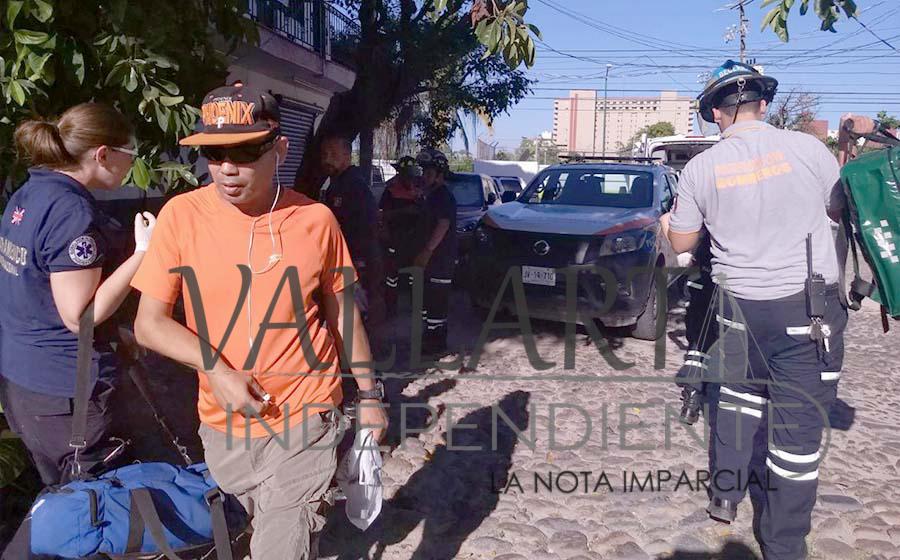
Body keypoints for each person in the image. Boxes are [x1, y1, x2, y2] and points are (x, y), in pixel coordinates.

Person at [131, 82, 388, 560]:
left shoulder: (315, 220)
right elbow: (150, 324)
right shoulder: (181, 216)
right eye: (214, 153)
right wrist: (216, 369)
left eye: (246, 151)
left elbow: (343, 314)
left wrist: (370, 396)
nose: (227, 167)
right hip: (222, 425)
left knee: (281, 544)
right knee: (263, 529)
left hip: (306, 415)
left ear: (279, 149)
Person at [662, 60, 848, 560]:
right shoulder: (809, 149)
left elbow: (682, 242)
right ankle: (783, 544)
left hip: (737, 311)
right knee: (795, 435)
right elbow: (837, 210)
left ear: (714, 114)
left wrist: (667, 225)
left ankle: (725, 495)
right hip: (805, 312)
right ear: (763, 105)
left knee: (736, 401)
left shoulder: (700, 169)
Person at [0, 103, 155, 488]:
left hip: (25, 384)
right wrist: (143, 253)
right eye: (130, 154)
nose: (130, 165)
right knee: (98, 505)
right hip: (67, 394)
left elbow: (36, 290)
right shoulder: (71, 212)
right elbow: (79, 316)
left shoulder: (28, 193)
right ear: (103, 154)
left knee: (64, 498)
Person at [320, 135, 384, 326]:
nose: (327, 159)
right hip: (343, 258)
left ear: (347, 156)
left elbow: (366, 226)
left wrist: (357, 260)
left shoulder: (354, 185)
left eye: (333, 154)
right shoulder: (337, 184)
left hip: (356, 259)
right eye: (325, 154)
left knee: (354, 313)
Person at [413, 148, 457, 356]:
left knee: (436, 303)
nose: (424, 177)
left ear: (440, 175)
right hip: (431, 261)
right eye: (424, 172)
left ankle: (436, 343)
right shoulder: (429, 196)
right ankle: (430, 339)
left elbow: (443, 224)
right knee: (428, 303)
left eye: (429, 173)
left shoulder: (442, 196)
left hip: (440, 260)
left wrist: (427, 252)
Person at [379, 156, 423, 315]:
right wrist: (403, 212)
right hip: (395, 238)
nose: (410, 179)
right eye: (407, 175)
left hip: (414, 239)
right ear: (400, 173)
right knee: (392, 275)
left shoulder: (420, 189)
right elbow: (382, 214)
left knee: (414, 274)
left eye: (412, 175)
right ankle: (391, 307)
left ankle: (416, 307)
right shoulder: (391, 190)